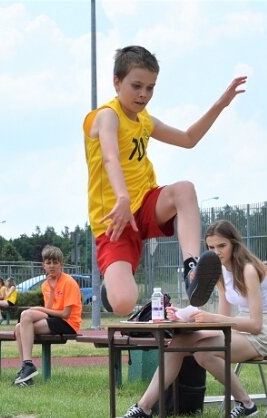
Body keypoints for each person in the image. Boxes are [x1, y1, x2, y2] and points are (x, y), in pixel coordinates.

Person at [83, 45, 247, 316]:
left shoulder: (144, 120)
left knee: (184, 190)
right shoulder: (106, 116)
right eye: (136, 86)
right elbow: (110, 156)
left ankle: (192, 270)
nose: (143, 95)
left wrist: (220, 104)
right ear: (116, 82)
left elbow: (188, 139)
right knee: (124, 303)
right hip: (114, 221)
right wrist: (122, 198)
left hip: (145, 204)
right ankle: (111, 291)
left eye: (150, 88)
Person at [114, 220, 267, 418]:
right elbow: (223, 321)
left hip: (262, 334)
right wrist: (185, 315)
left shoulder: (249, 270)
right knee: (178, 343)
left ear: (234, 243)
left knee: (203, 353)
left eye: (222, 246)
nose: (216, 252)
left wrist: (214, 319)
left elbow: (255, 324)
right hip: (240, 332)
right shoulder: (220, 271)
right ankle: (144, 408)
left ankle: (246, 404)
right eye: (210, 247)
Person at [13, 246, 83, 386]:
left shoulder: (69, 282)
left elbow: (65, 313)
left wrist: (38, 308)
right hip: (54, 320)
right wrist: (51, 292)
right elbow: (49, 310)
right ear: (43, 265)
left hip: (68, 323)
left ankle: (28, 366)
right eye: (48, 263)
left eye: (55, 262)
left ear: (61, 265)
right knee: (18, 327)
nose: (52, 266)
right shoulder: (45, 285)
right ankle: (26, 370)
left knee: (26, 315)